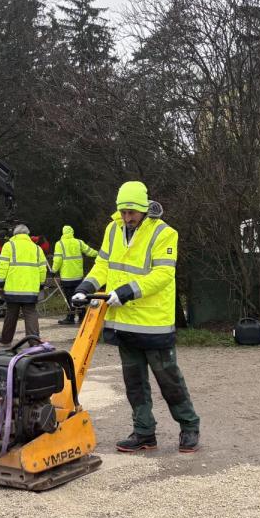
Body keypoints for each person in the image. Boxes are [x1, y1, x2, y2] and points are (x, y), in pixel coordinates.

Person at [73, 181, 200, 454]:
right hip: (123, 322)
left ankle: (189, 426)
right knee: (134, 383)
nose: (127, 217)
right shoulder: (113, 229)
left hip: (154, 323)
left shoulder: (164, 233)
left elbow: (163, 275)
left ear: (144, 209)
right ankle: (144, 432)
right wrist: (85, 287)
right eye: (123, 211)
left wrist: (127, 291)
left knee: (169, 380)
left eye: (131, 212)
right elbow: (103, 264)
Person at [0, 224, 47, 345]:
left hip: (12, 288)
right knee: (31, 313)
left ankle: (6, 339)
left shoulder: (9, 246)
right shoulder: (36, 248)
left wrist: (0, 282)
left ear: (15, 234)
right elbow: (42, 268)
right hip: (31, 289)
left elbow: (2, 265)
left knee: (11, 313)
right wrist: (41, 283)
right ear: (27, 234)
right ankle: (34, 342)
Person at [52, 225, 98, 325]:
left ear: (63, 233)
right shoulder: (79, 242)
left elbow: (58, 260)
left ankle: (70, 317)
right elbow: (89, 252)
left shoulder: (60, 244)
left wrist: (53, 270)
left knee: (69, 297)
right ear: (72, 232)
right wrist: (100, 254)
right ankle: (82, 316)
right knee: (80, 295)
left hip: (66, 277)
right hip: (78, 276)